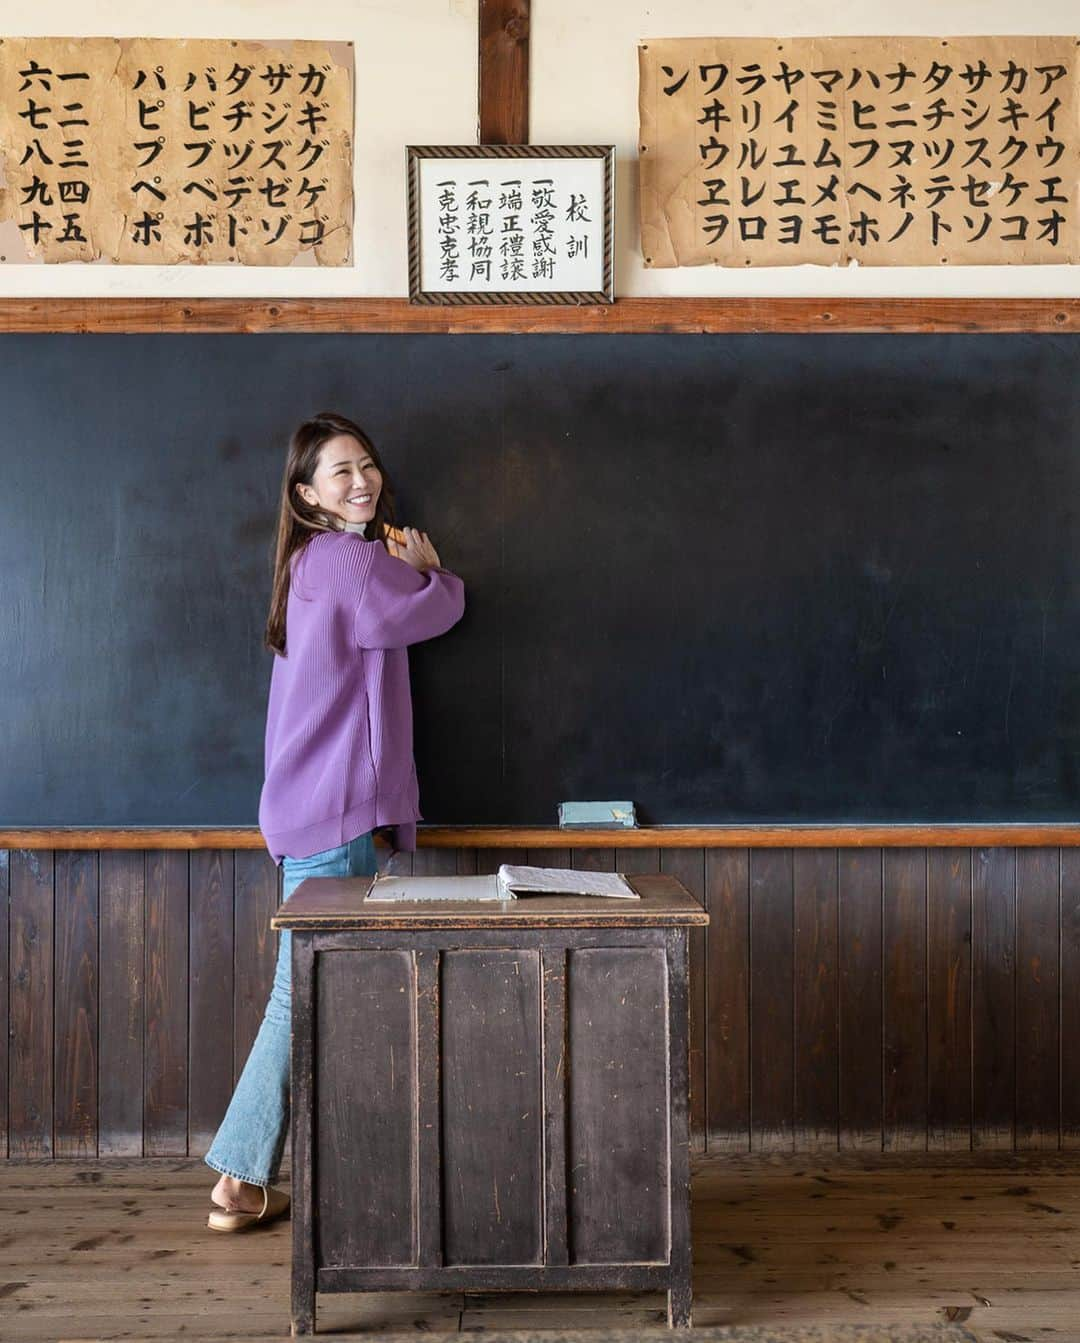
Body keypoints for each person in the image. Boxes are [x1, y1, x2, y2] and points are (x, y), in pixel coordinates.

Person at [204, 410, 465, 1231]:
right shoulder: (352, 562)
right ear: (307, 491)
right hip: (335, 813)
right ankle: (240, 1177)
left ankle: (260, 1177)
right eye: (341, 471)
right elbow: (433, 612)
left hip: (309, 809)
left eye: (368, 465)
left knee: (311, 988)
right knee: (301, 993)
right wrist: (436, 570)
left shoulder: (309, 563)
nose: (363, 481)